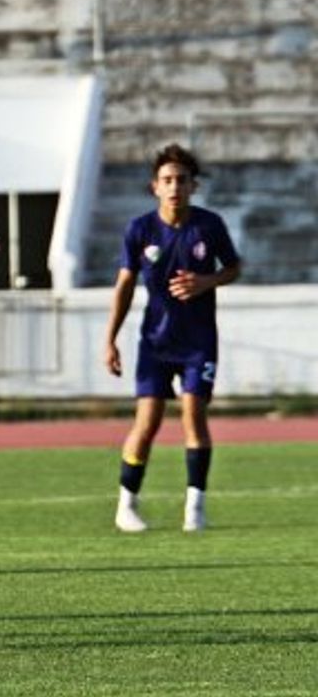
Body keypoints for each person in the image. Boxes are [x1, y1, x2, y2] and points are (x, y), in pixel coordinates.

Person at [104, 143, 241, 533]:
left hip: (198, 343)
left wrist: (206, 281)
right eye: (167, 180)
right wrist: (110, 339)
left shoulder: (209, 226)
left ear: (193, 186)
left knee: (194, 417)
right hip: (156, 343)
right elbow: (124, 286)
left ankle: (194, 508)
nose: (175, 186)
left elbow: (233, 268)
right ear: (155, 187)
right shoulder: (140, 230)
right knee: (146, 422)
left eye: (182, 180)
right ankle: (126, 506)